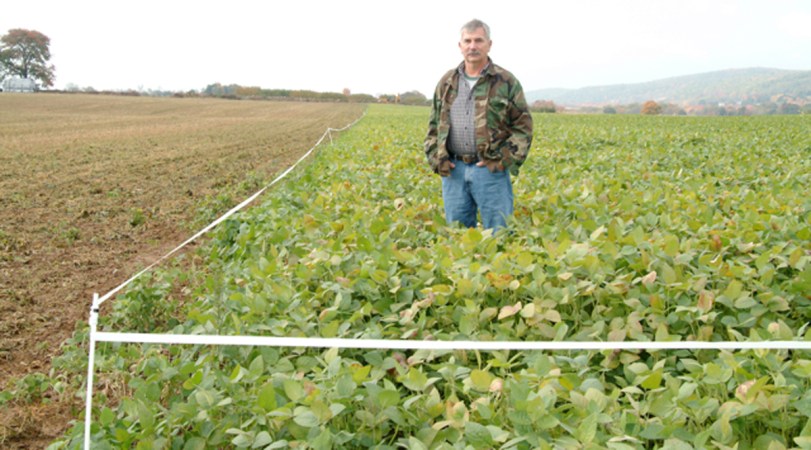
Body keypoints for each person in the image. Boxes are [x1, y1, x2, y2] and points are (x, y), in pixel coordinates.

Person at [424, 18, 533, 231]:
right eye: (468, 41)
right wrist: (437, 159)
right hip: (454, 170)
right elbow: (434, 125)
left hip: (490, 171)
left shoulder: (505, 81)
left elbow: (523, 126)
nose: (473, 46)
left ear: (489, 44)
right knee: (458, 237)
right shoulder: (447, 82)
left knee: (499, 234)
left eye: (479, 40)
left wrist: (504, 159)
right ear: (460, 46)